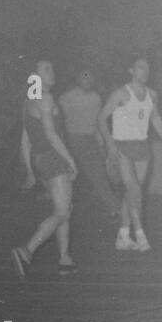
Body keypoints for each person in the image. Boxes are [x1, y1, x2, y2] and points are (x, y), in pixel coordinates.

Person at [11, 60, 80, 279]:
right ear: (35, 76)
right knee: (61, 212)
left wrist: (31, 169)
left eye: (52, 67)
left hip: (40, 160)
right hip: (53, 157)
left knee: (63, 208)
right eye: (45, 69)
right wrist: (71, 160)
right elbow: (51, 134)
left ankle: (64, 259)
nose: (52, 72)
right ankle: (26, 251)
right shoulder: (46, 97)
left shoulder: (28, 101)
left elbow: (25, 138)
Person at [99, 58, 162, 252]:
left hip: (142, 146)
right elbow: (101, 117)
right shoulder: (121, 93)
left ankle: (123, 236)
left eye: (147, 68)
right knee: (134, 191)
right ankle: (140, 236)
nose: (145, 71)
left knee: (132, 192)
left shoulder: (152, 95)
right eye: (140, 67)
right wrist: (109, 144)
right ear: (131, 70)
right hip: (123, 146)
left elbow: (155, 117)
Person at [58, 68, 120, 219]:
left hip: (90, 140)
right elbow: (60, 121)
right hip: (72, 139)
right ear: (78, 79)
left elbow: (98, 122)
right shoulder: (66, 97)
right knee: (69, 177)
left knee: (98, 175)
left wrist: (101, 143)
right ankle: (63, 210)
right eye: (84, 77)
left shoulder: (96, 97)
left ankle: (114, 208)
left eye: (90, 77)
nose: (88, 80)